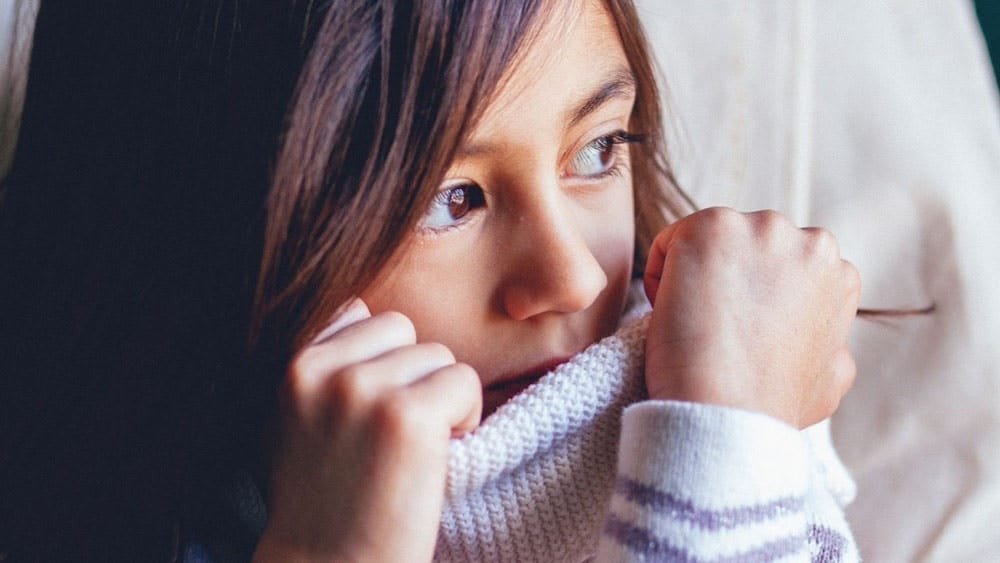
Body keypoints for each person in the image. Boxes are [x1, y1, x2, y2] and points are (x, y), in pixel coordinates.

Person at [0, 1, 860, 561]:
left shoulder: (705, 376)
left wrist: (737, 420)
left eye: (597, 150)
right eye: (448, 200)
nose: (568, 276)